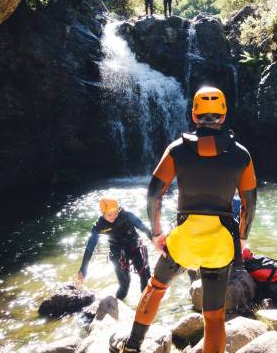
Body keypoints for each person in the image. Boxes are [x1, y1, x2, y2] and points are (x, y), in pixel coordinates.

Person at [110, 86, 257, 353]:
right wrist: (243, 239)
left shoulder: (177, 150)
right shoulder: (242, 155)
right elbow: (249, 203)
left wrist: (156, 233)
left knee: (156, 287)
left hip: (184, 239)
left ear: (193, 115)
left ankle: (132, 346)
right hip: (220, 244)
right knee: (213, 316)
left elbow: (154, 193)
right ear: (223, 116)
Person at [75, 197, 152, 300]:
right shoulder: (99, 225)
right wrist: (83, 269)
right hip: (117, 253)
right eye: (109, 215)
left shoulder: (127, 215)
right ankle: (117, 305)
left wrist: (157, 241)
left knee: (145, 276)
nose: (113, 217)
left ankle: (145, 306)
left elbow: (144, 228)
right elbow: (90, 247)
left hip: (134, 247)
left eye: (116, 213)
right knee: (125, 284)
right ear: (103, 213)